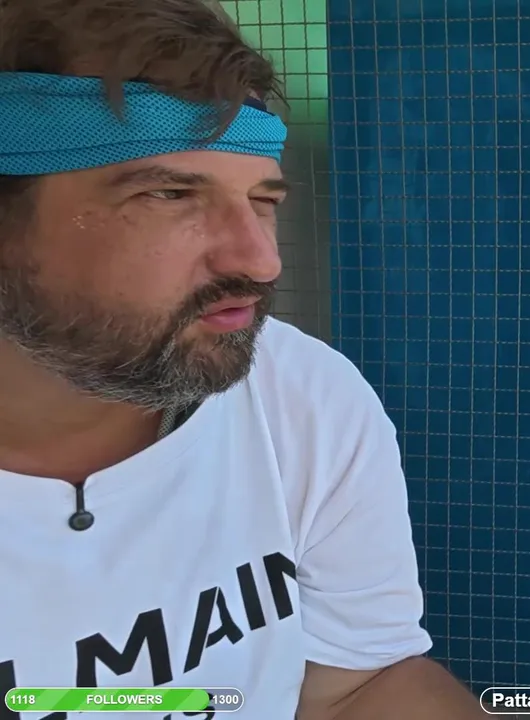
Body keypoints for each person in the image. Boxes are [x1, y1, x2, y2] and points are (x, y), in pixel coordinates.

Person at [0, 1, 486, 717]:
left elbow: (355, 686)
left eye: (262, 200)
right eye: (170, 194)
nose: (260, 261)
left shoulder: (301, 397)